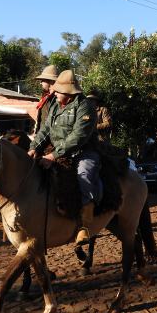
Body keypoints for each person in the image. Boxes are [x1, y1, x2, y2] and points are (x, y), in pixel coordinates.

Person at [28, 70, 100, 245]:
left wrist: (54, 155)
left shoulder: (85, 107)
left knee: (83, 176)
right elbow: (45, 129)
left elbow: (78, 137)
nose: (55, 92)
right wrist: (34, 148)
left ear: (69, 92)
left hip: (84, 153)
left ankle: (85, 226)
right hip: (56, 150)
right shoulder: (55, 104)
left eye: (58, 90)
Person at [31, 65, 60, 139]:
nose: (41, 83)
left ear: (51, 81)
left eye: (42, 80)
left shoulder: (59, 99)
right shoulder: (45, 99)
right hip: (41, 139)